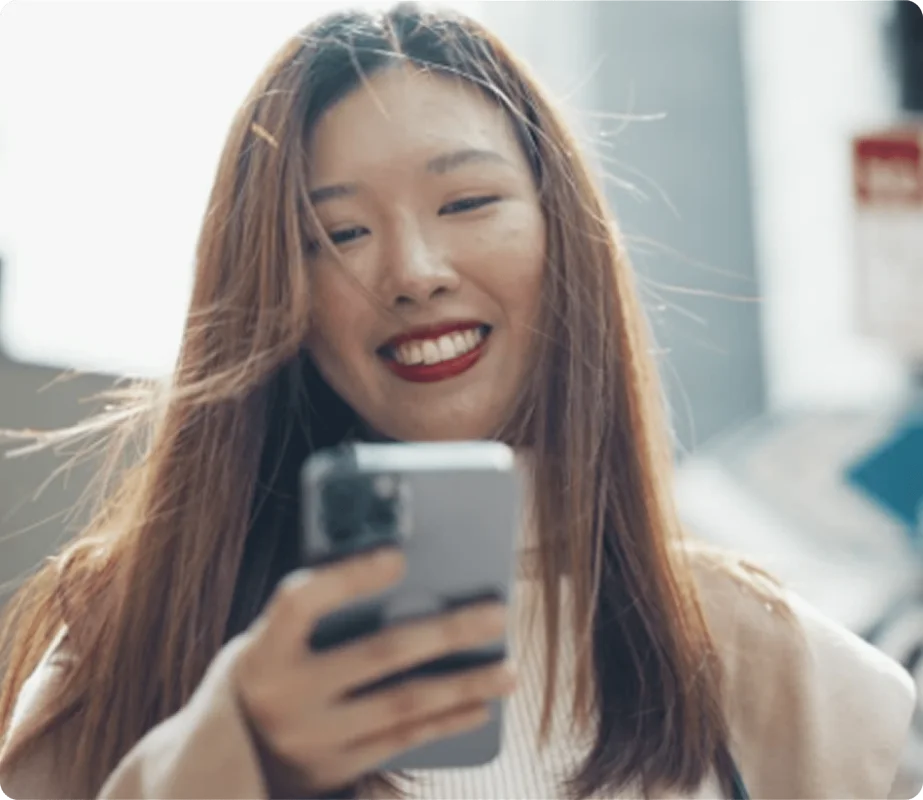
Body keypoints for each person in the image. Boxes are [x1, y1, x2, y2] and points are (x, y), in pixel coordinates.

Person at [0, 4, 917, 799]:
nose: (413, 273)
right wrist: (228, 753)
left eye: (468, 201)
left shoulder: (784, 673)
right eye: (339, 232)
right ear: (275, 296)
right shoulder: (129, 633)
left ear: (565, 240)